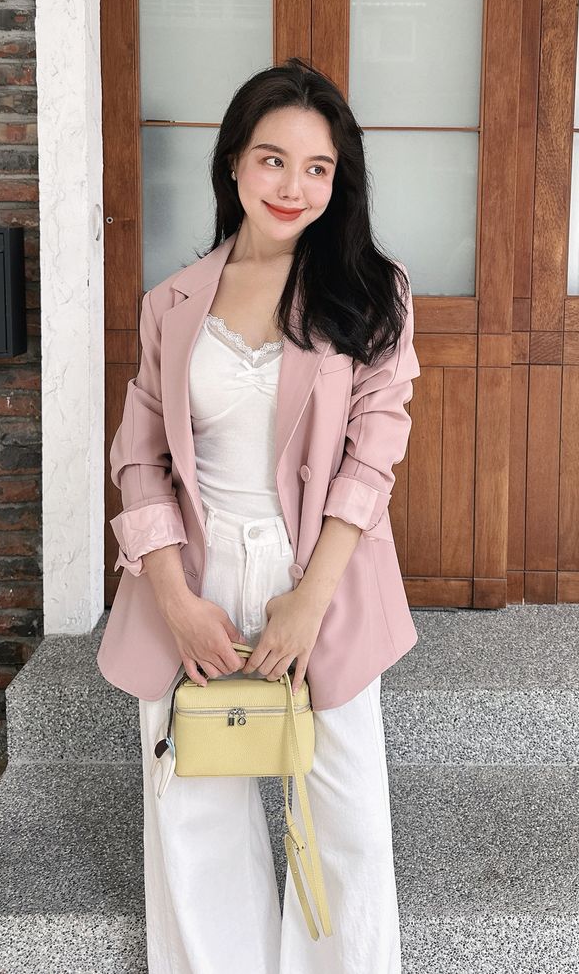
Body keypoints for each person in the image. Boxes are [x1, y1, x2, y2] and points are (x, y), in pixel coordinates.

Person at [96, 57, 422, 974]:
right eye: (274, 159)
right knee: (195, 817)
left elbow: (372, 455)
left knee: (346, 818)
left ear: (339, 180)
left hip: (318, 572)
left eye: (318, 167)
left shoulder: (373, 291)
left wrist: (309, 600)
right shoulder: (172, 302)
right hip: (192, 577)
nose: (293, 186)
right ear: (234, 162)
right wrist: (174, 600)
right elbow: (140, 459)